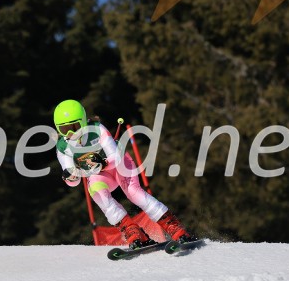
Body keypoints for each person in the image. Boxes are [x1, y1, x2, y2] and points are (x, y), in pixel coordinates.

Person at [53, 99, 194, 249]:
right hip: (101, 175)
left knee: (133, 193)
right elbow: (72, 180)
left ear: (83, 121)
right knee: (97, 192)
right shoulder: (63, 147)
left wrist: (103, 163)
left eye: (74, 126)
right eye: (64, 129)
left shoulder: (97, 129)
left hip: (120, 165)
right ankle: (133, 232)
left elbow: (115, 157)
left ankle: (175, 228)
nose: (71, 133)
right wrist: (71, 177)